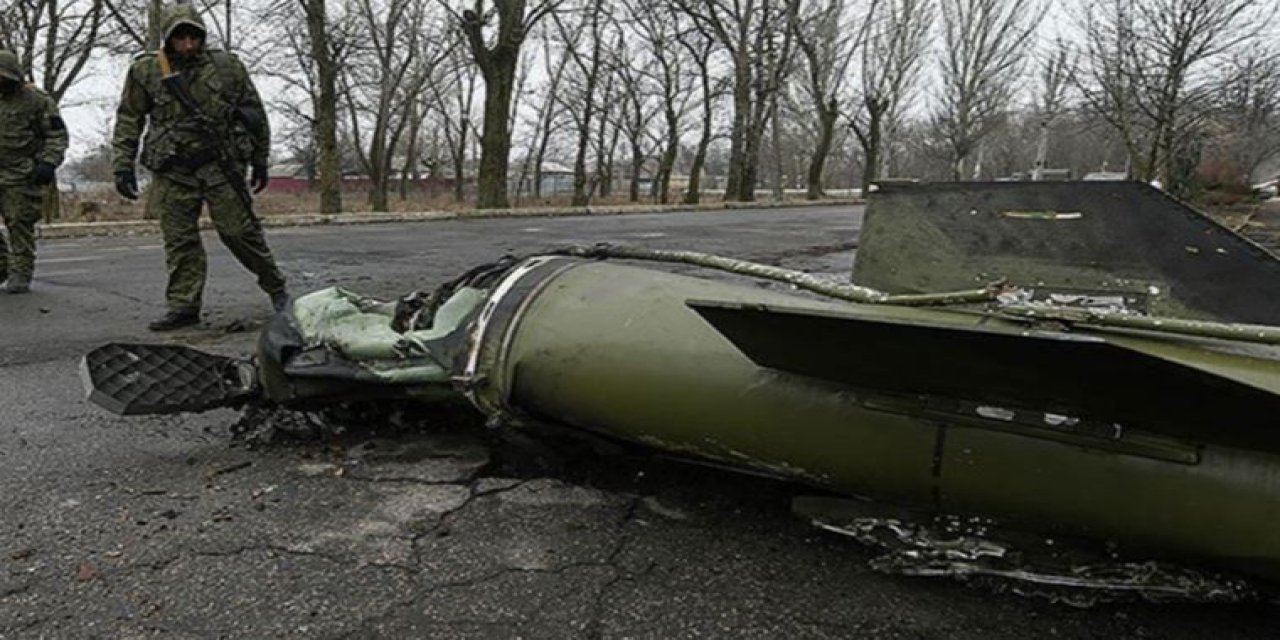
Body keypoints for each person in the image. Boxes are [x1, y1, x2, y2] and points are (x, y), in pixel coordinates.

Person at [112, 3, 288, 331]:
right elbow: (129, 117)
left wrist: (261, 159)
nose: (188, 44)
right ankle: (183, 305)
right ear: (168, 39)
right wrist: (122, 164)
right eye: (180, 38)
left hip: (220, 165)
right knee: (180, 240)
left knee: (240, 232)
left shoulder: (227, 67)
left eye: (194, 37)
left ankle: (277, 289)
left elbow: (253, 114)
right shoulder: (146, 70)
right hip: (172, 167)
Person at [0, 49, 67, 294]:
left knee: (19, 222)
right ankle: (1, 266)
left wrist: (48, 163)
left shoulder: (37, 100)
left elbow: (56, 134)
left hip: (21, 173)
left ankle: (21, 271)